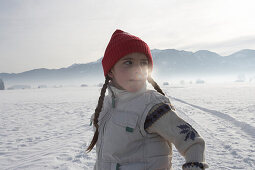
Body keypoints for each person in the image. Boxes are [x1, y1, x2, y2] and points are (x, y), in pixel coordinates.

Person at [87, 29, 209, 170]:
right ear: (110, 71)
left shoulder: (152, 106)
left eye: (143, 63)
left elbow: (193, 142)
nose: (138, 69)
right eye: (128, 63)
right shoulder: (105, 105)